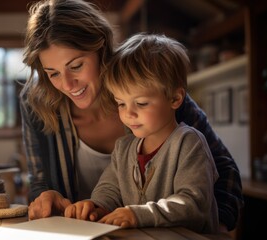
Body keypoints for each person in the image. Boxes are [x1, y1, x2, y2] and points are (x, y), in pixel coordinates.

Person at [20, 0, 243, 232]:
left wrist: (218, 228)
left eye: (76, 66)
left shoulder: (153, 86)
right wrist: (59, 200)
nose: (66, 84)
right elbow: (50, 182)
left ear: (100, 47)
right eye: (53, 73)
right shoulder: (37, 104)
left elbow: (223, 170)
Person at [64, 33, 219, 233]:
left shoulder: (189, 143)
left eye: (141, 103)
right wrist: (94, 207)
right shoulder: (123, 148)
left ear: (175, 98)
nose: (128, 113)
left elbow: (192, 204)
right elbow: (109, 190)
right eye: (121, 103)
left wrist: (137, 215)